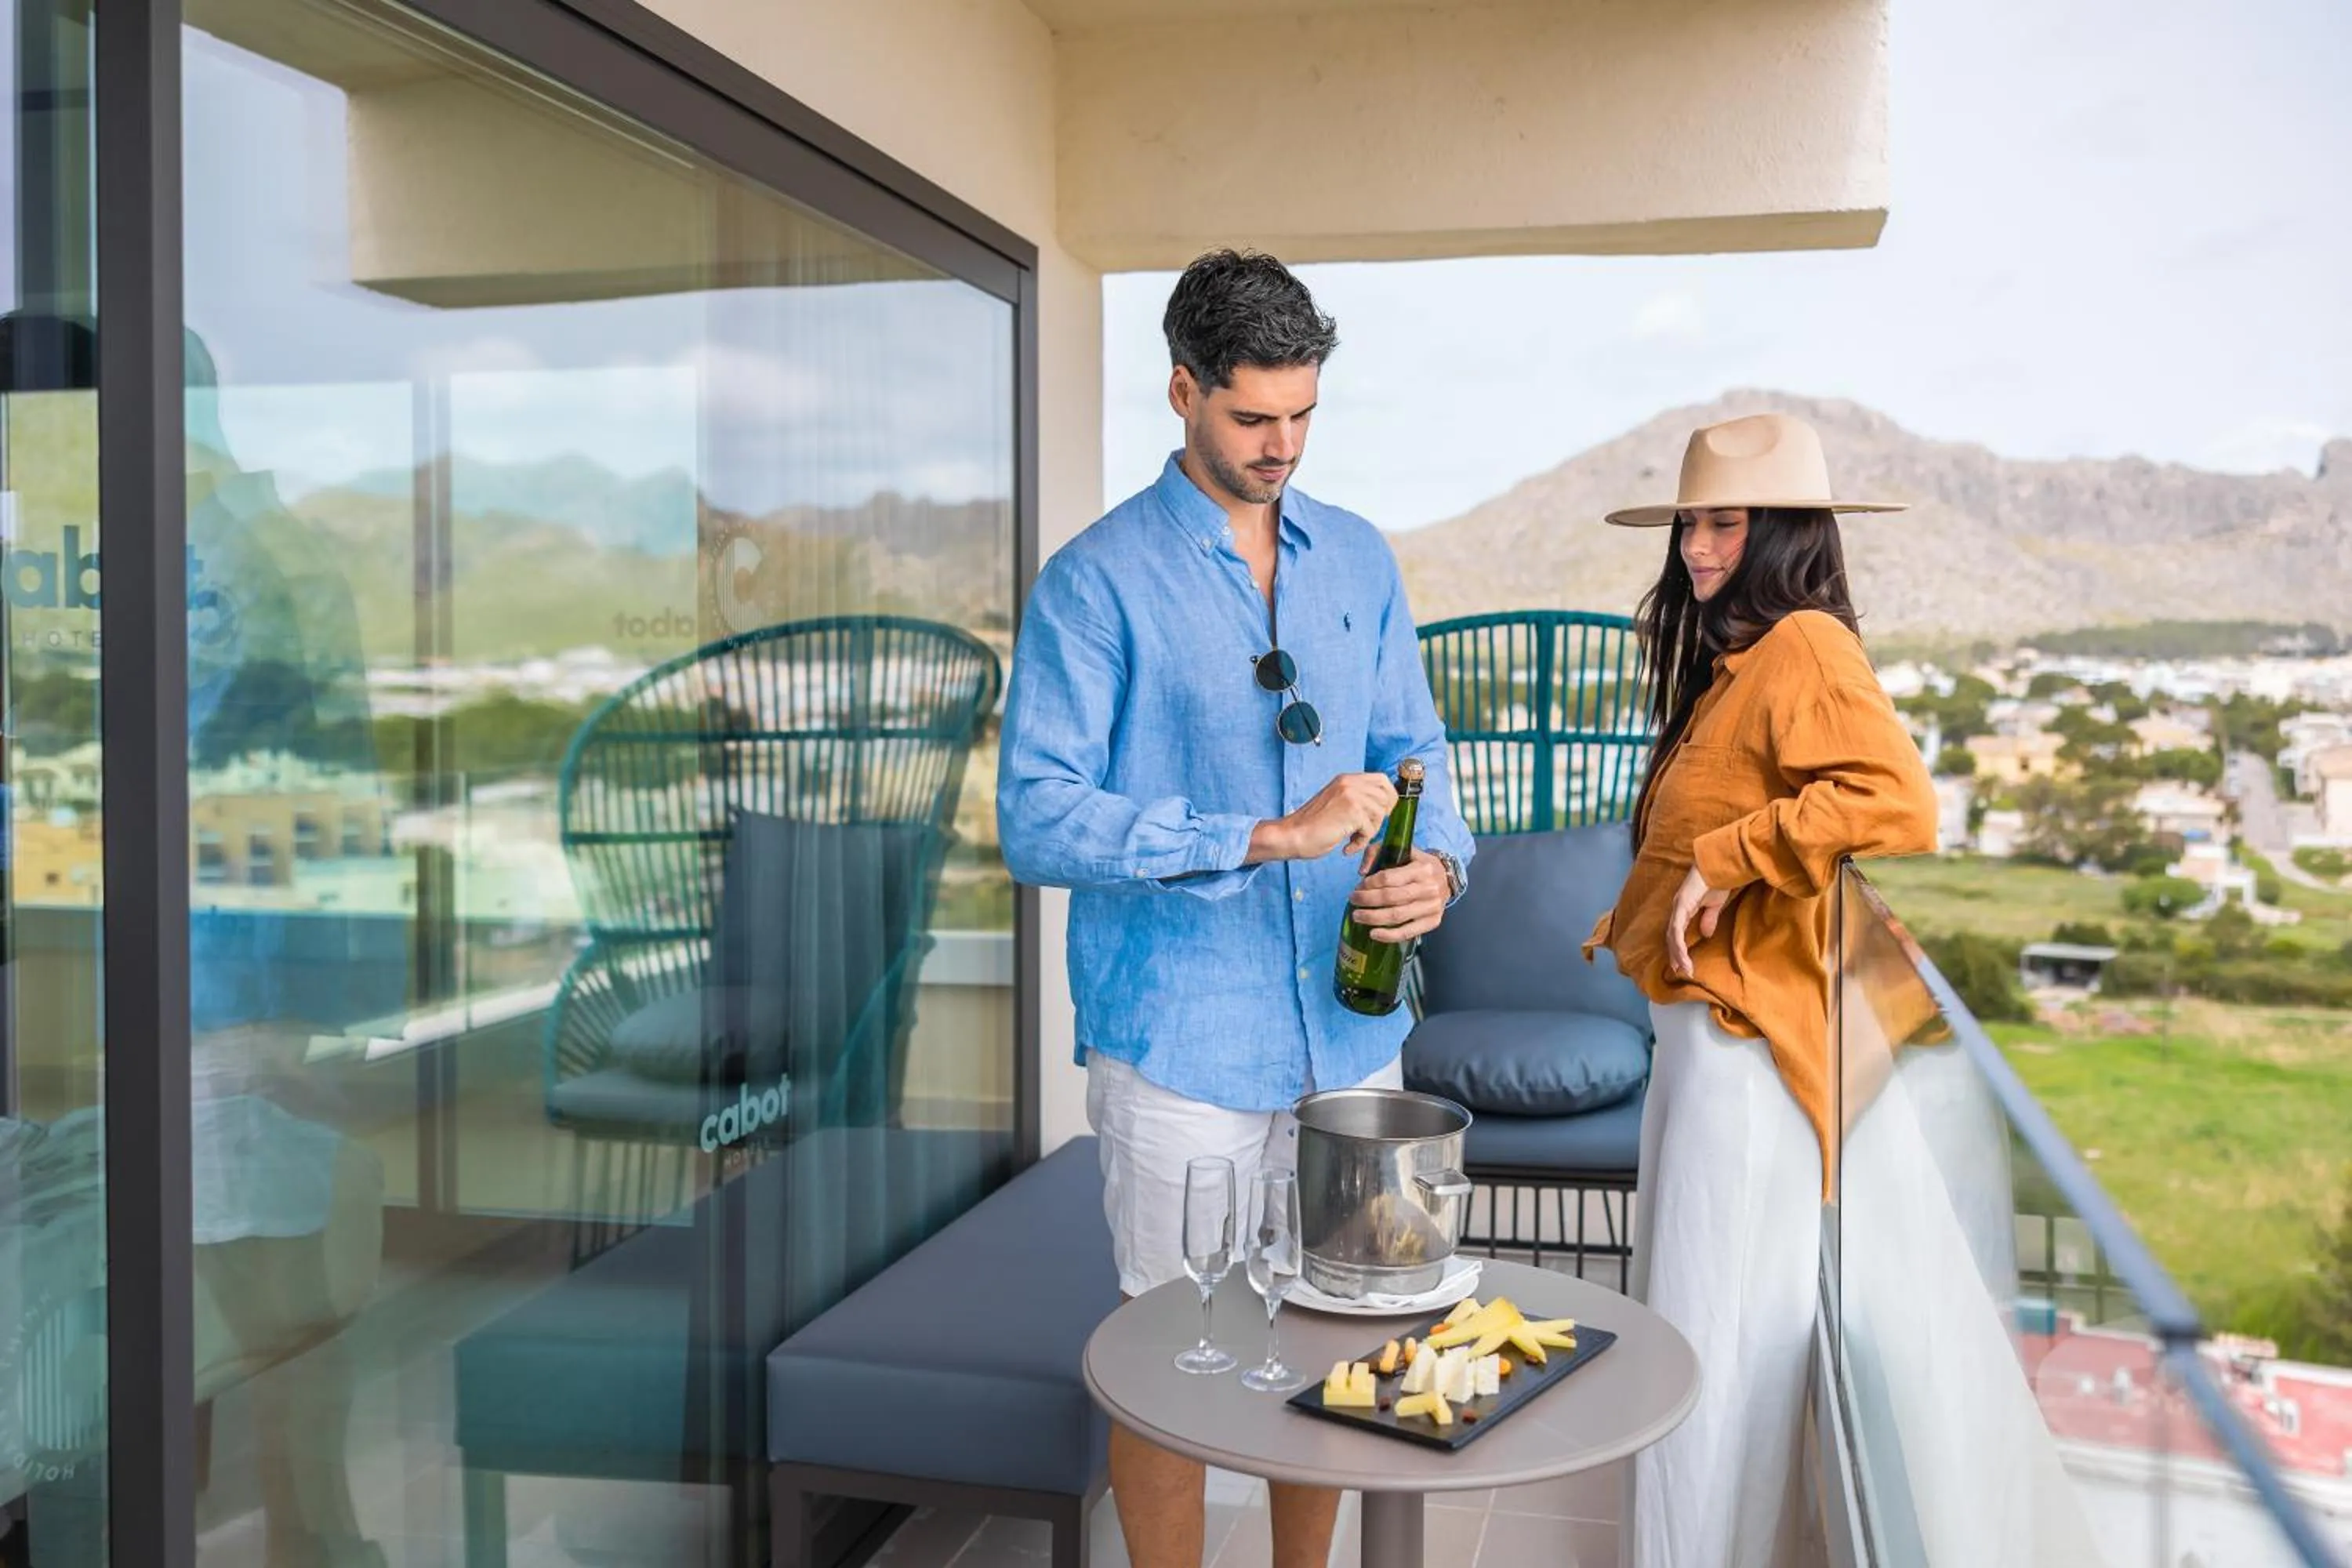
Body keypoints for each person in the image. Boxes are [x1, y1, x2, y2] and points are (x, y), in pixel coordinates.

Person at [997, 249, 1472, 1568]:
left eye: (1303, 414)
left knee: (1337, 1345)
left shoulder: (1361, 559)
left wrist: (1440, 865)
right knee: (1173, 1361)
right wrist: (1265, 836)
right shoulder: (1092, 581)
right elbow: (1036, 817)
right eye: (1253, 416)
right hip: (1181, 1049)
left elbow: (1419, 752)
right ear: (1182, 390)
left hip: (1354, 1042)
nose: (1283, 446)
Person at [1583, 412, 1939, 1568]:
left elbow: (1896, 799)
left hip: (1743, 1057)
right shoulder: (1742, 660)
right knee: (1691, 1332)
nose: (1695, 546)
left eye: (1724, 523)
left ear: (1783, 531)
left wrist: (1731, 857)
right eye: (1689, 523)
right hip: (1701, 1044)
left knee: (1710, 1341)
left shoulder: (1806, 646)